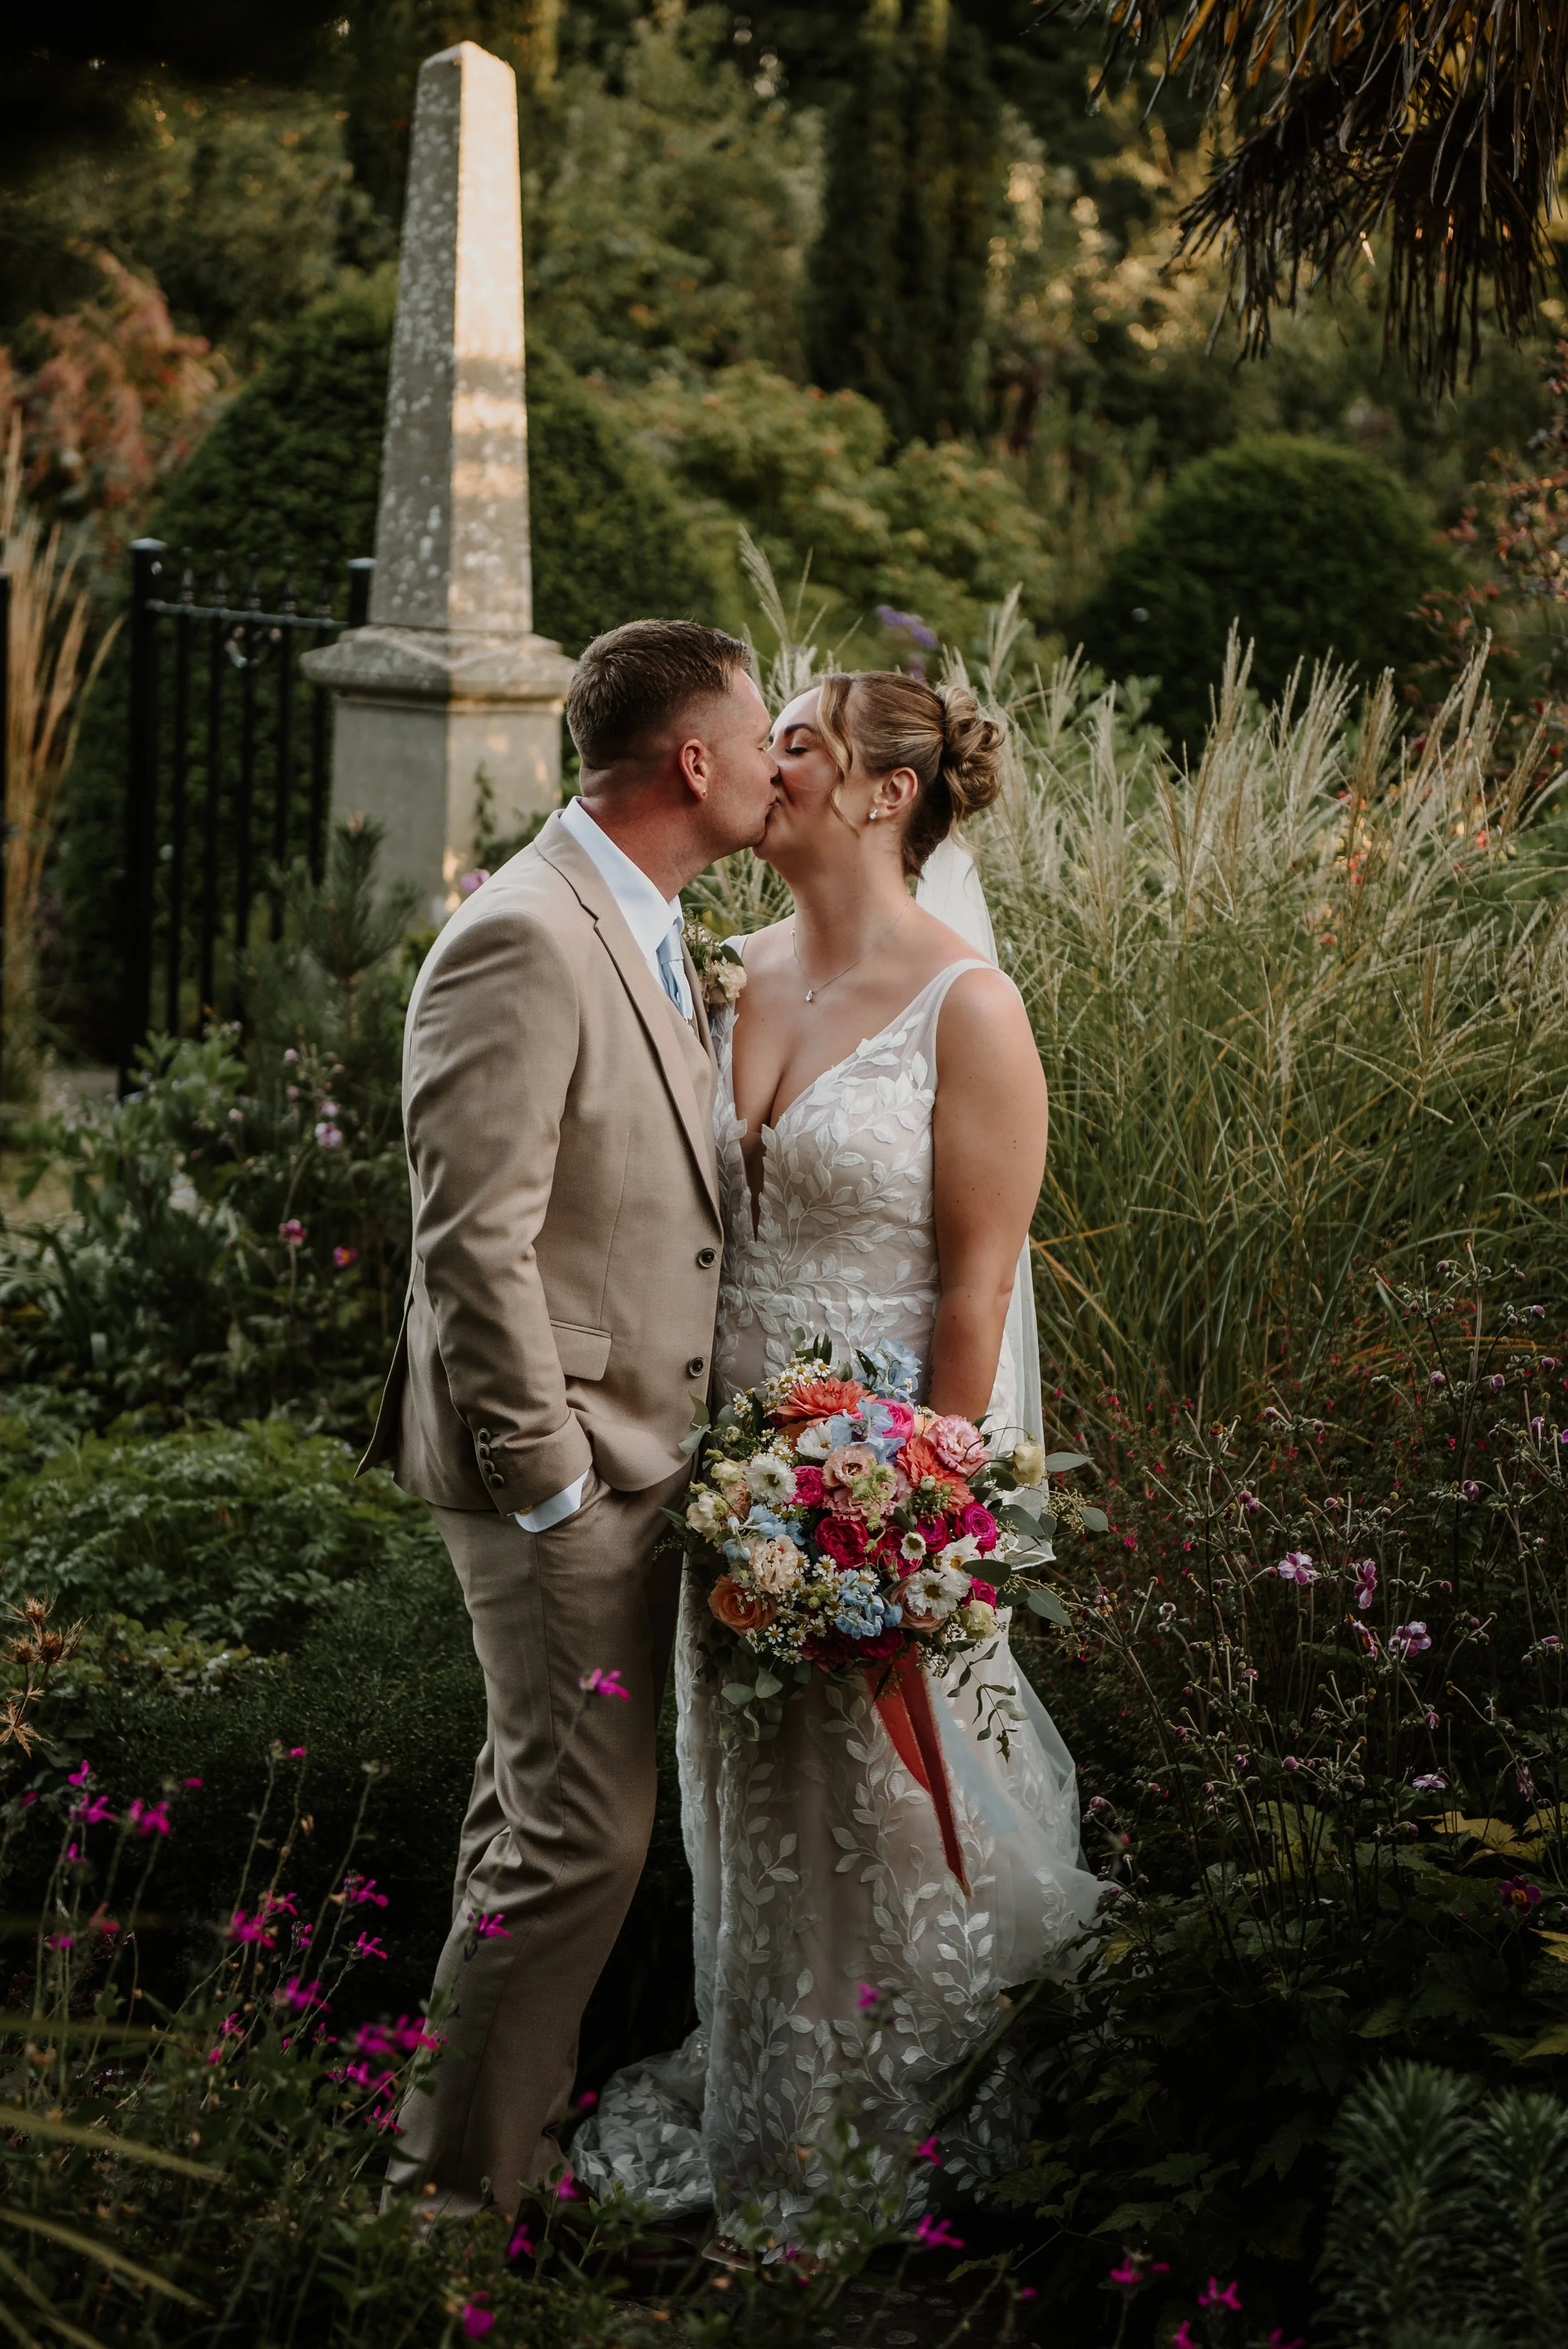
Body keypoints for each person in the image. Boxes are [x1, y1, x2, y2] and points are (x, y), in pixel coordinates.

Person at [573, 669, 1102, 2244]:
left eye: (795, 740)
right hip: (719, 1478)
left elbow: (972, 1288)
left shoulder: (970, 1009)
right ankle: (767, 2121)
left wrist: (919, 1519)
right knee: (751, 1801)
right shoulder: (725, 975)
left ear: (885, 794)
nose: (764, 764)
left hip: (874, 1484)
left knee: (883, 1808)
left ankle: (897, 2139)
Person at [366, 618, 780, 2220]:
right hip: (560, 1470)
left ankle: (474, 2168)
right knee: (579, 1845)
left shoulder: (651, 926)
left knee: (531, 1819)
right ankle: (447, 2221)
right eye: (756, 737)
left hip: (631, 1456)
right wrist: (549, 1482)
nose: (771, 764)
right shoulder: (528, 934)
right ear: (691, 761)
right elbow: (470, 1238)